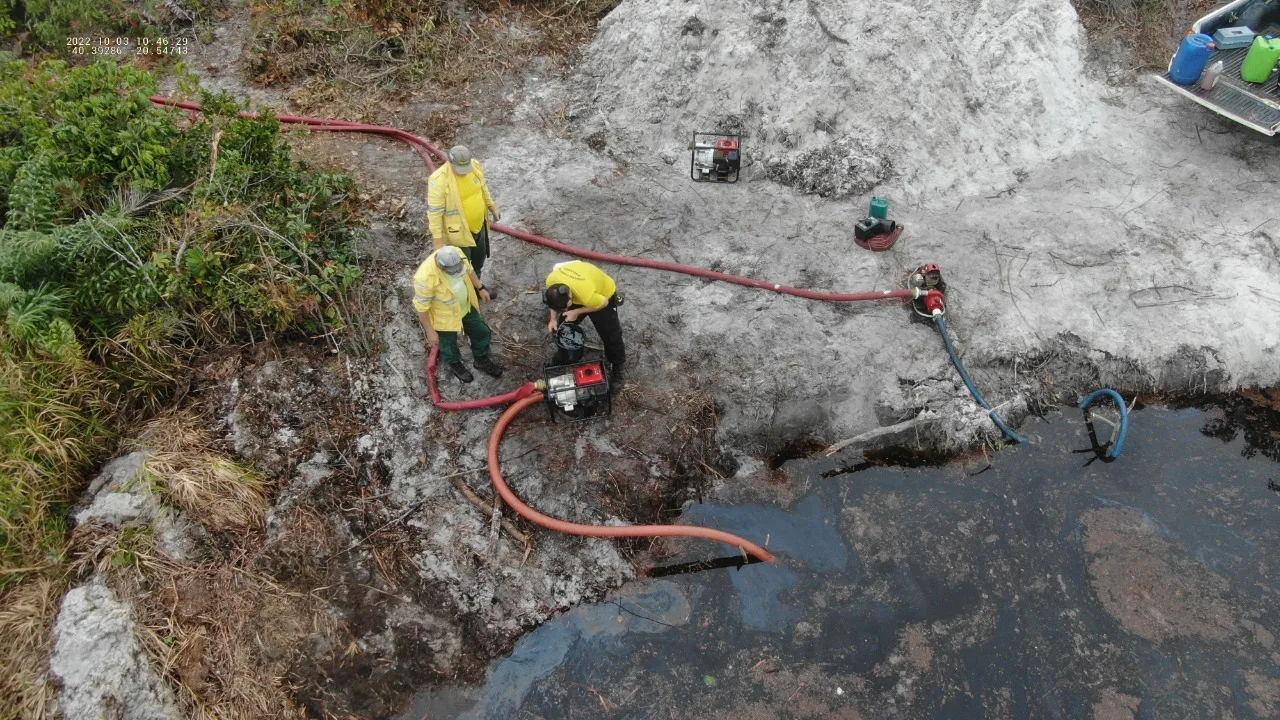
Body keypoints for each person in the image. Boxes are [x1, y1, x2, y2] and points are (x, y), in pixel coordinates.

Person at [413, 246, 504, 383]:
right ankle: (455, 364)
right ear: (440, 265)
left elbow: (469, 270)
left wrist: (480, 288)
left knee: (482, 332)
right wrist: (430, 331)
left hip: (465, 307)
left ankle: (481, 360)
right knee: (448, 345)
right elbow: (421, 308)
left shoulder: (456, 253)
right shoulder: (425, 278)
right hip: (444, 318)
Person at [543, 260, 625, 388]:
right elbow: (553, 304)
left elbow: (603, 303)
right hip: (581, 292)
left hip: (602, 296)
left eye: (565, 308)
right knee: (563, 326)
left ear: (570, 297)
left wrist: (577, 311)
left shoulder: (585, 294)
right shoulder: (551, 281)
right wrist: (553, 319)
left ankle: (617, 366)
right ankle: (563, 357)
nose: (564, 311)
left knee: (610, 334)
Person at [427, 145, 501, 278]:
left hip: (479, 227)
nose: (465, 172)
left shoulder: (475, 166)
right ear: (450, 162)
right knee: (462, 265)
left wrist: (492, 206)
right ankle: (467, 293)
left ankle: (478, 288)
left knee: (479, 258)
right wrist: (438, 240)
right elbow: (435, 213)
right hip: (458, 233)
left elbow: (483, 189)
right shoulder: (439, 180)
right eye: (460, 169)